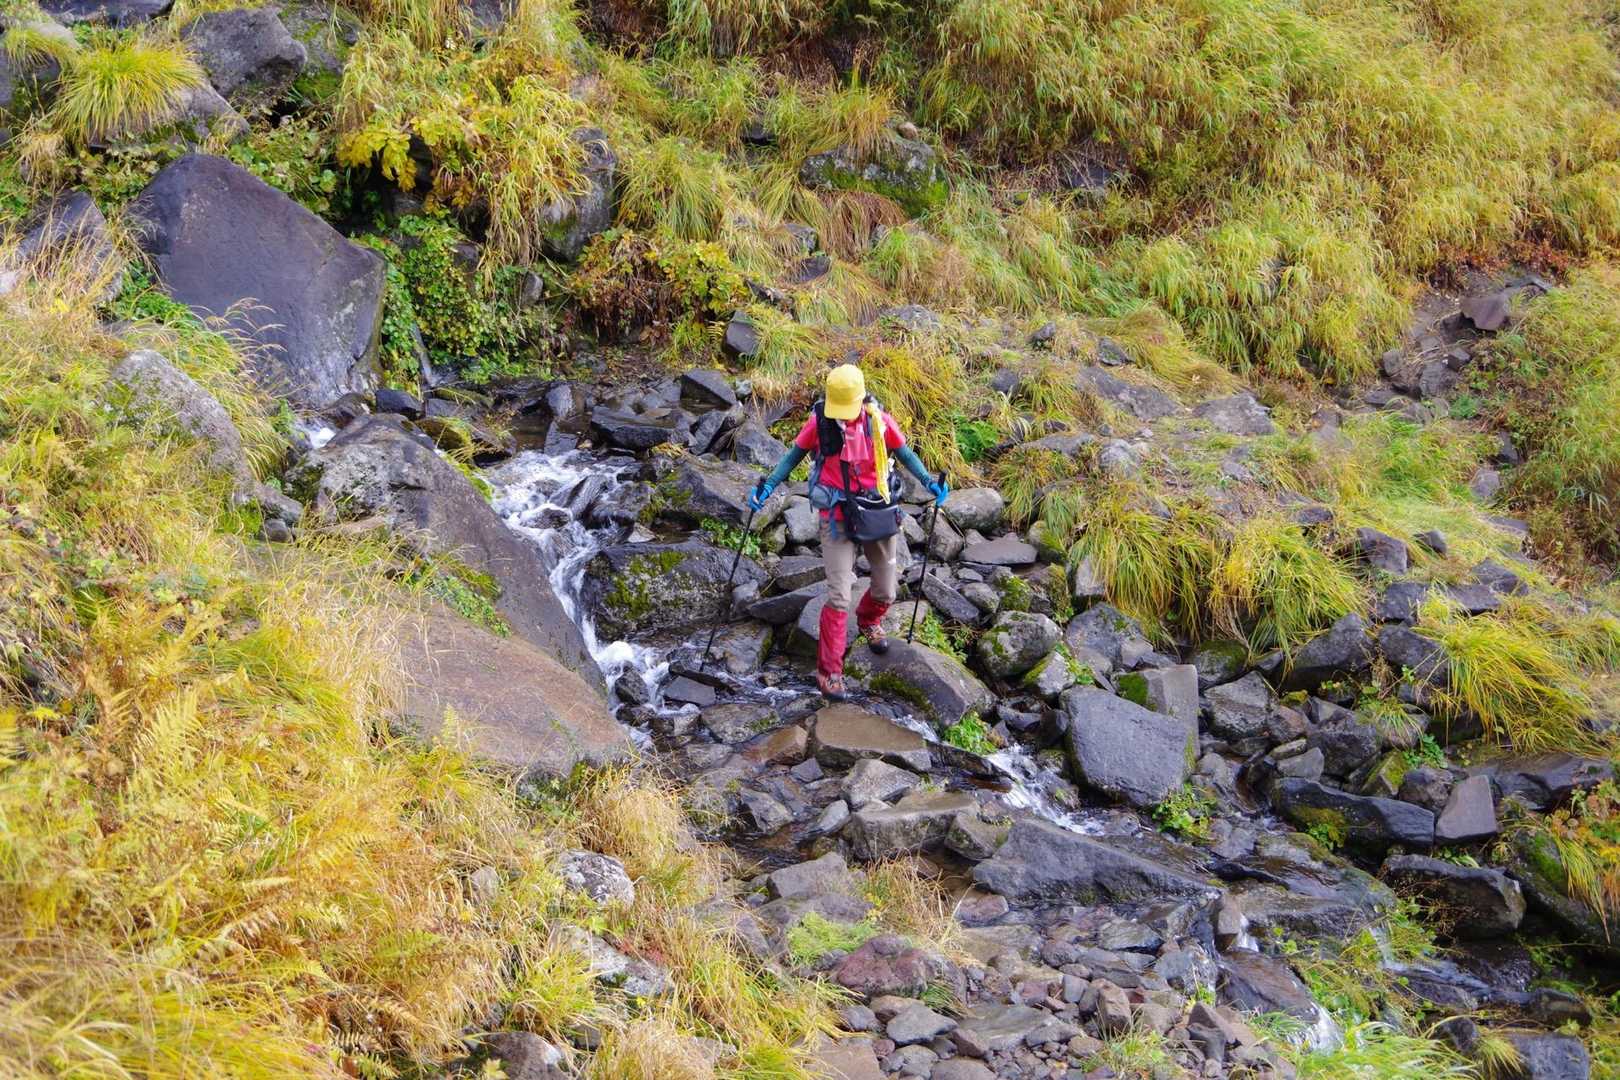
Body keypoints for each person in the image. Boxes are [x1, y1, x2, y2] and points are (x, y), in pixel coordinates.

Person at [748, 363, 948, 700]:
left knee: (886, 591)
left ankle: (868, 620)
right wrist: (767, 487)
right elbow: (793, 457)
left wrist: (930, 482)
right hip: (836, 513)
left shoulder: (878, 422)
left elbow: (905, 454)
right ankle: (830, 673)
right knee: (839, 595)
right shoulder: (820, 422)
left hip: (876, 510)